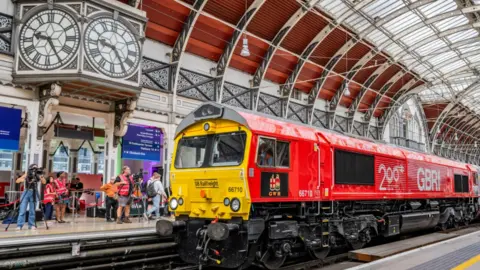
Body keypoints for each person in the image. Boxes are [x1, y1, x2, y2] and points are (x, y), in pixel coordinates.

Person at [15, 164, 46, 231]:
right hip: (26, 192)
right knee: (22, 210)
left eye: (36, 168)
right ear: (30, 168)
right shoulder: (27, 174)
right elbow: (17, 181)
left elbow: (44, 182)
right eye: (33, 168)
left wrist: (41, 176)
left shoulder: (38, 174)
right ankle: (19, 225)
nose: (34, 170)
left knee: (32, 211)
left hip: (34, 192)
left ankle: (31, 225)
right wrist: (24, 178)